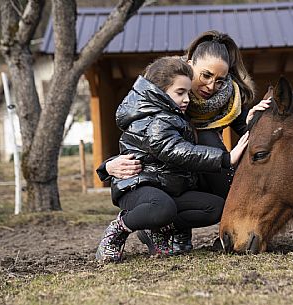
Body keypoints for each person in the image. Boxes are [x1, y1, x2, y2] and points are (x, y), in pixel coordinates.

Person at [96, 30, 270, 254]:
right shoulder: (163, 88)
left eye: (219, 80)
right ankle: (141, 226)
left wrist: (253, 119)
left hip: (182, 180)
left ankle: (172, 228)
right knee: (205, 141)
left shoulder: (225, 101)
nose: (211, 86)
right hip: (151, 179)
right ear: (189, 66)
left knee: (216, 201)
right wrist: (107, 166)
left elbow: (245, 132)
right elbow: (145, 141)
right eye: (206, 75)